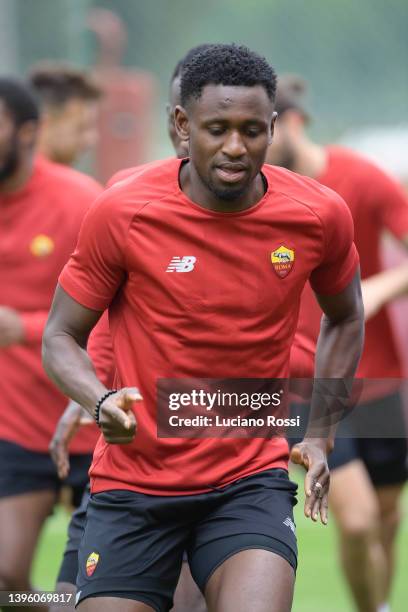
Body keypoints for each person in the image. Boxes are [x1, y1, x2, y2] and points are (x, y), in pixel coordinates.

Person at [43, 44, 364, 612]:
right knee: (49, 597)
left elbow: (346, 315)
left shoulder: (318, 214)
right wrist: (98, 402)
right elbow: (61, 335)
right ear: (182, 124)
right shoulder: (124, 210)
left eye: (251, 130)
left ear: (273, 126)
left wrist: (320, 430)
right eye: (217, 129)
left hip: (247, 476)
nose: (236, 148)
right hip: (135, 484)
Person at [49, 46, 208, 612]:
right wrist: (87, 396)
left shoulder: (279, 213)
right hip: (128, 461)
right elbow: (104, 316)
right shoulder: (124, 197)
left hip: (217, 464)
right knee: (60, 598)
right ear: (174, 117)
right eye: (179, 114)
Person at [267, 74, 408, 612]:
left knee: (387, 523)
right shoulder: (256, 193)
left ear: (293, 123)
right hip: (314, 387)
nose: (249, 144)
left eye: (263, 129)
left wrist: (376, 289)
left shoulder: (362, 179)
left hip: (381, 381)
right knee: (356, 520)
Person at [0, 77, 102, 612]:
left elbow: (119, 310)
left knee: (114, 586)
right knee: (6, 581)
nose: (88, 137)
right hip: (16, 427)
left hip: (96, 419)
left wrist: (26, 326)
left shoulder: (81, 200)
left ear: (27, 132)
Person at [28, 63, 102, 166]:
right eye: (81, 128)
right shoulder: (71, 182)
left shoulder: (10, 177)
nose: (91, 140)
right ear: (44, 124)